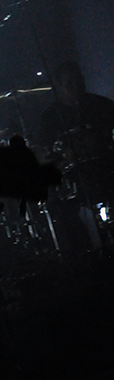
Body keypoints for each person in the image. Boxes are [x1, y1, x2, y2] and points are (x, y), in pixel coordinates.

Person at [39, 61, 114, 253]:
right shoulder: (50, 117)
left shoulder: (102, 105)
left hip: (106, 168)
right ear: (59, 86)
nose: (76, 87)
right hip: (75, 179)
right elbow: (47, 154)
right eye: (69, 83)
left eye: (78, 81)